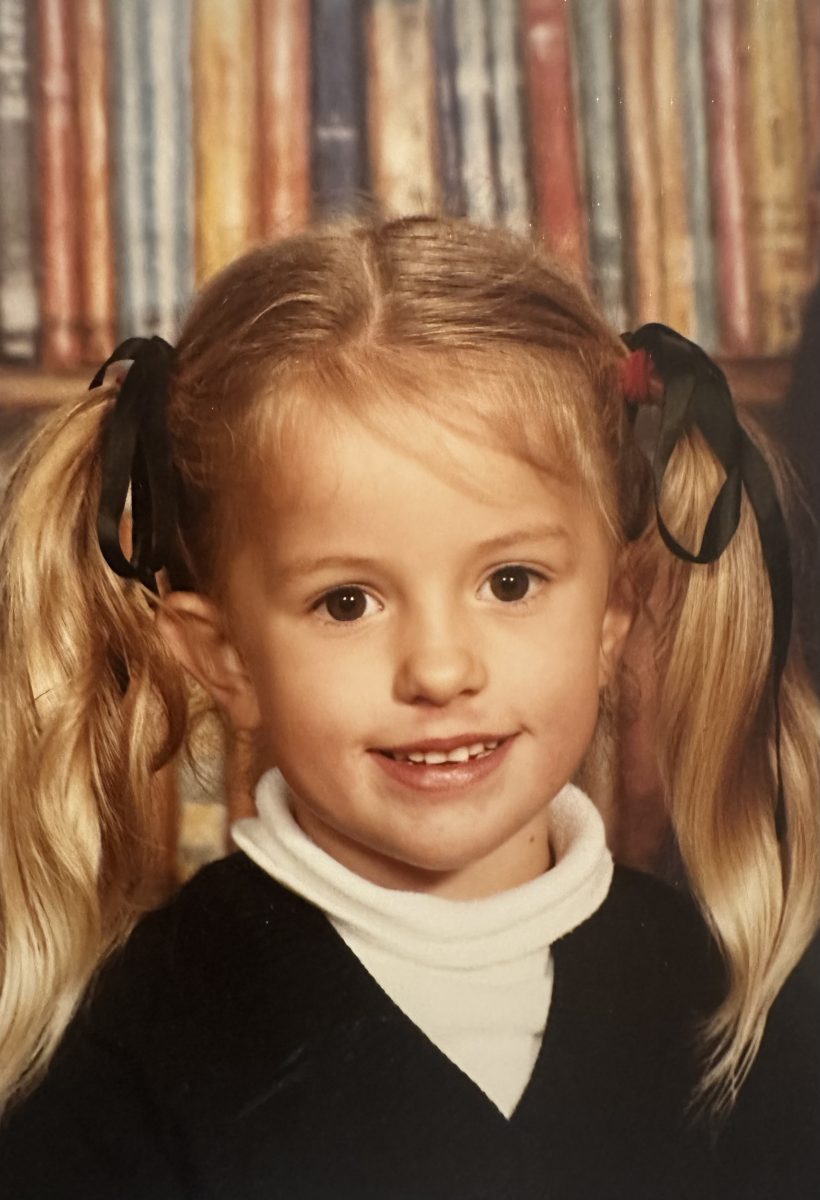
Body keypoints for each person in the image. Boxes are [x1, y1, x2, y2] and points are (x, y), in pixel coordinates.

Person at [0, 216, 817, 1199]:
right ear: (226, 660)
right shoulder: (124, 1055)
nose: (438, 669)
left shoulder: (739, 1013)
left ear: (610, 619)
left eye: (511, 582)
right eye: (346, 601)